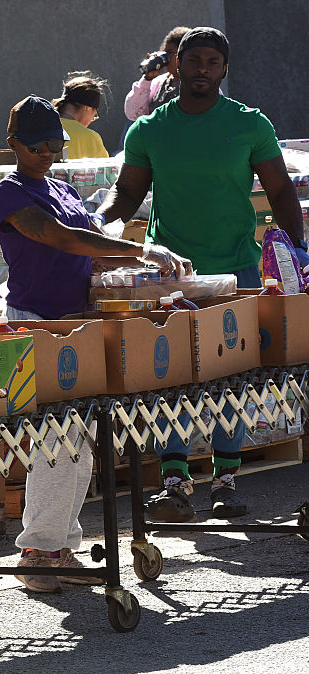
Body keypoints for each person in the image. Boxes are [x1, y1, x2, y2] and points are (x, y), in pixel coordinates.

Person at [98, 27, 307, 521]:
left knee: (231, 376)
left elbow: (280, 192)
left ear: (224, 69)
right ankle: (175, 484)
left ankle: (226, 483)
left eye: (213, 62)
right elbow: (126, 194)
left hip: (236, 267)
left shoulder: (250, 124)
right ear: (176, 65)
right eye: (194, 60)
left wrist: (295, 250)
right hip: (172, 274)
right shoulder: (148, 130)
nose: (202, 69)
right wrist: (97, 219)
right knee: (171, 373)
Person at [0, 96, 191, 592]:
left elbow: (88, 252)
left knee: (77, 441)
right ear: (13, 143)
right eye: (37, 145)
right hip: (35, 323)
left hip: (77, 322)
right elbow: (59, 239)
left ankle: (57, 546)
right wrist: (139, 249)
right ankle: (38, 552)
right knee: (57, 440)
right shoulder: (9, 193)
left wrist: (134, 271)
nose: (48, 153)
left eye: (55, 145)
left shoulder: (61, 190)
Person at [124, 26, 190, 121]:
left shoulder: (199, 84)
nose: (166, 58)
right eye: (164, 53)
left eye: (170, 53)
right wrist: (147, 79)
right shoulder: (158, 83)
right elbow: (133, 113)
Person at [51, 71, 109, 159]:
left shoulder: (44, 126)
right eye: (94, 115)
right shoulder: (91, 138)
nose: (91, 121)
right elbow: (105, 171)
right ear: (88, 108)